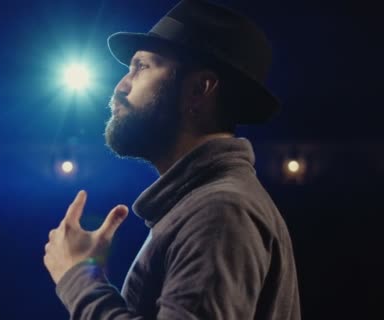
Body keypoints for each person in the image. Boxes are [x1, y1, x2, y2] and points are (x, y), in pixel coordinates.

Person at [43, 0, 301, 319]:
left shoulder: (220, 211)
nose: (121, 87)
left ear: (198, 89)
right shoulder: (206, 205)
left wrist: (79, 278)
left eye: (142, 67)